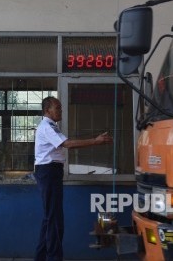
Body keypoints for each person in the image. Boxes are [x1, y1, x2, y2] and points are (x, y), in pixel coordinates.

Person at [33, 96, 113, 261]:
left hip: (50, 172)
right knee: (55, 220)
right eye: (58, 108)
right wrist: (96, 141)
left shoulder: (51, 126)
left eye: (61, 107)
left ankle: (40, 257)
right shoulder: (47, 127)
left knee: (50, 218)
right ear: (47, 110)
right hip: (49, 172)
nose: (60, 110)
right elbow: (67, 144)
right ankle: (54, 257)